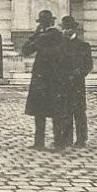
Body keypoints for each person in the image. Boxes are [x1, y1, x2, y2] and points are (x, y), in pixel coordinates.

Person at [22, 9, 73, 150]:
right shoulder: (60, 36)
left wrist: (36, 34)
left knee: (40, 112)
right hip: (56, 78)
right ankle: (59, 142)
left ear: (43, 24)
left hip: (43, 78)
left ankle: (40, 143)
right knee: (56, 111)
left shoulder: (44, 36)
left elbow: (26, 50)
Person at [61, 15, 93, 148]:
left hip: (77, 84)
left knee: (79, 111)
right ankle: (66, 139)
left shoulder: (83, 46)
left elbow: (88, 65)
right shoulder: (59, 46)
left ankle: (81, 139)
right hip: (63, 83)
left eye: (69, 28)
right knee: (65, 111)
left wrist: (78, 74)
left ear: (74, 30)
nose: (66, 31)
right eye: (64, 28)